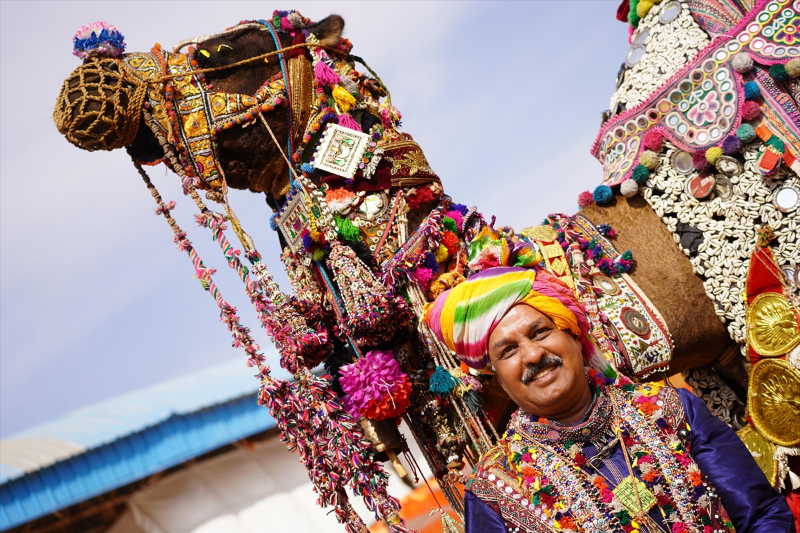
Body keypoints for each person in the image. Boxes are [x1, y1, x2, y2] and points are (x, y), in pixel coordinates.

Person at [423, 267, 794, 533]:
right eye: (508, 351)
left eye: (540, 332)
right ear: (497, 379)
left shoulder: (670, 409)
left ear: (573, 336)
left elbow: (761, 515)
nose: (533, 355)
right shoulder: (495, 489)